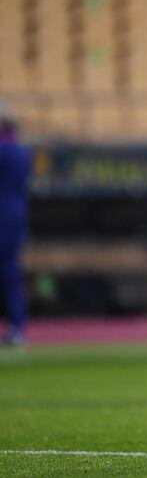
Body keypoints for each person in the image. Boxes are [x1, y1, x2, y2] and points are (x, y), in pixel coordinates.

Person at [0, 102, 30, 346]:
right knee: (11, 277)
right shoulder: (21, 151)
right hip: (14, 217)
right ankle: (17, 329)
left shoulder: (4, 152)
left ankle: (17, 328)